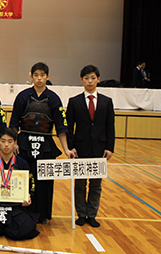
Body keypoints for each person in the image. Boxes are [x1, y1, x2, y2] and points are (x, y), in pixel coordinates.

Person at [9, 62, 74, 224]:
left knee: (44, 182)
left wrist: (66, 149)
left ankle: (43, 214)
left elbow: (61, 126)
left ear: (47, 77)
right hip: (24, 144)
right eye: (36, 75)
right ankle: (22, 211)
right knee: (23, 178)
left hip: (46, 145)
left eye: (42, 75)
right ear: (31, 76)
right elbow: (14, 123)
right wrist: (14, 142)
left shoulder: (53, 98)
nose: (39, 79)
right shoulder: (23, 96)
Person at [66, 65, 115, 227]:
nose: (90, 81)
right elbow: (69, 127)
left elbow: (110, 127)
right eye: (86, 78)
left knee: (96, 184)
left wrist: (110, 147)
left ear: (98, 79)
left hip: (100, 149)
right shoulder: (74, 102)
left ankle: (92, 214)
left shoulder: (107, 102)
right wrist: (71, 147)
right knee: (80, 184)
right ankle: (81, 214)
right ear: (81, 80)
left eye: (93, 78)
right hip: (80, 149)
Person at [0, 127, 39, 240]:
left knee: (27, 227)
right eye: (3, 141)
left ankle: (5, 228)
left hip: (15, 207)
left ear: (15, 144)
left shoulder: (23, 164)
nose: (6, 145)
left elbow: (31, 185)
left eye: (10, 142)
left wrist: (29, 196)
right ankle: (7, 228)